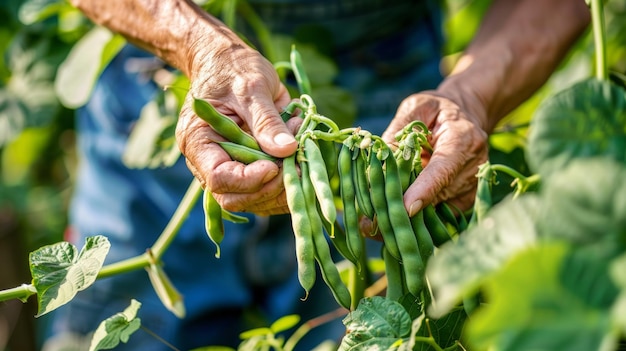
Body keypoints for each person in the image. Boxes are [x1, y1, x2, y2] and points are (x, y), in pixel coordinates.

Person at [41, 0, 590, 350]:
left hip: (386, 127)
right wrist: (201, 46)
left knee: (378, 314)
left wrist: (471, 94)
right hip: (159, 97)